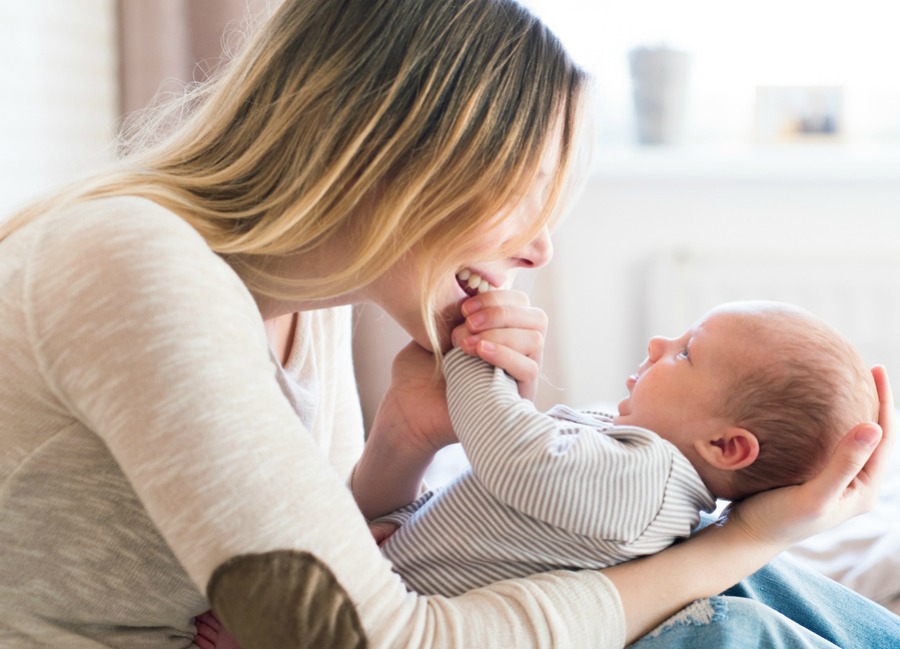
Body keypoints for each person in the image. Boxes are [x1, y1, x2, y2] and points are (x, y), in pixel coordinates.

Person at [0, 1, 894, 648]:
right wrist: (741, 540)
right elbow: (370, 639)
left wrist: (402, 440)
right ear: (401, 161)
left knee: (755, 580)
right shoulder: (137, 265)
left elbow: (289, 559)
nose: (541, 249)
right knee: (722, 608)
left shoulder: (298, 308)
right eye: (525, 196)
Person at [371, 300, 881, 597]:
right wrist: (413, 519)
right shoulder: (635, 453)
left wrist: (476, 357)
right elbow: (493, 506)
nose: (659, 343)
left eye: (685, 353)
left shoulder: (647, 485)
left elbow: (516, 457)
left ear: (725, 445)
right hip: (396, 574)